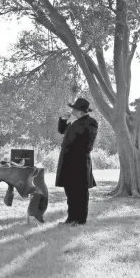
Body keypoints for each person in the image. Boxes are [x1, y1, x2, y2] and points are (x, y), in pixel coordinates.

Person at [55, 97, 98, 226]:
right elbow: (62, 130)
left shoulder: (91, 122)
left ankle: (80, 220)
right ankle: (71, 218)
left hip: (80, 162)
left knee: (80, 191)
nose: (72, 111)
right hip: (68, 161)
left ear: (80, 111)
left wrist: (74, 121)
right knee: (70, 191)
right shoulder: (75, 122)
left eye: (74, 109)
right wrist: (63, 120)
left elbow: (84, 139)